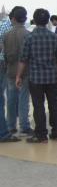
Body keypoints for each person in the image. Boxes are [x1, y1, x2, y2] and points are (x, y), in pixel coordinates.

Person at [17, 8, 57, 143]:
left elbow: (23, 60)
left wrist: (19, 76)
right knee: (54, 104)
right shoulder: (55, 37)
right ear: (48, 20)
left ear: (35, 20)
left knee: (38, 106)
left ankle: (41, 135)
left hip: (36, 78)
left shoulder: (29, 37)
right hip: (52, 77)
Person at [4, 6, 33, 135]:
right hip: (25, 71)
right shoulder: (28, 34)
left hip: (10, 70)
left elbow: (5, 55)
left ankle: (10, 125)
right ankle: (24, 126)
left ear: (13, 18)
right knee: (23, 99)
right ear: (25, 19)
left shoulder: (6, 35)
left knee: (11, 99)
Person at [0, 8, 21, 143]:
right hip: (4, 63)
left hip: (4, 62)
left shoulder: (4, 25)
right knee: (6, 96)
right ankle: (5, 131)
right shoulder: (8, 27)